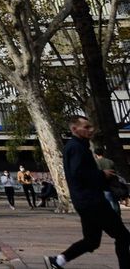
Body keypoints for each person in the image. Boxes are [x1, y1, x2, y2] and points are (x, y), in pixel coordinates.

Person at [45, 115, 130, 269]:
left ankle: (58, 261)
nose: (90, 130)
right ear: (74, 129)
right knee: (123, 236)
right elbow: (79, 173)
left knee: (91, 241)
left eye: (91, 127)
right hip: (92, 201)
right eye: (86, 127)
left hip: (84, 201)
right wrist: (102, 174)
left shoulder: (77, 146)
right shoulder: (76, 147)